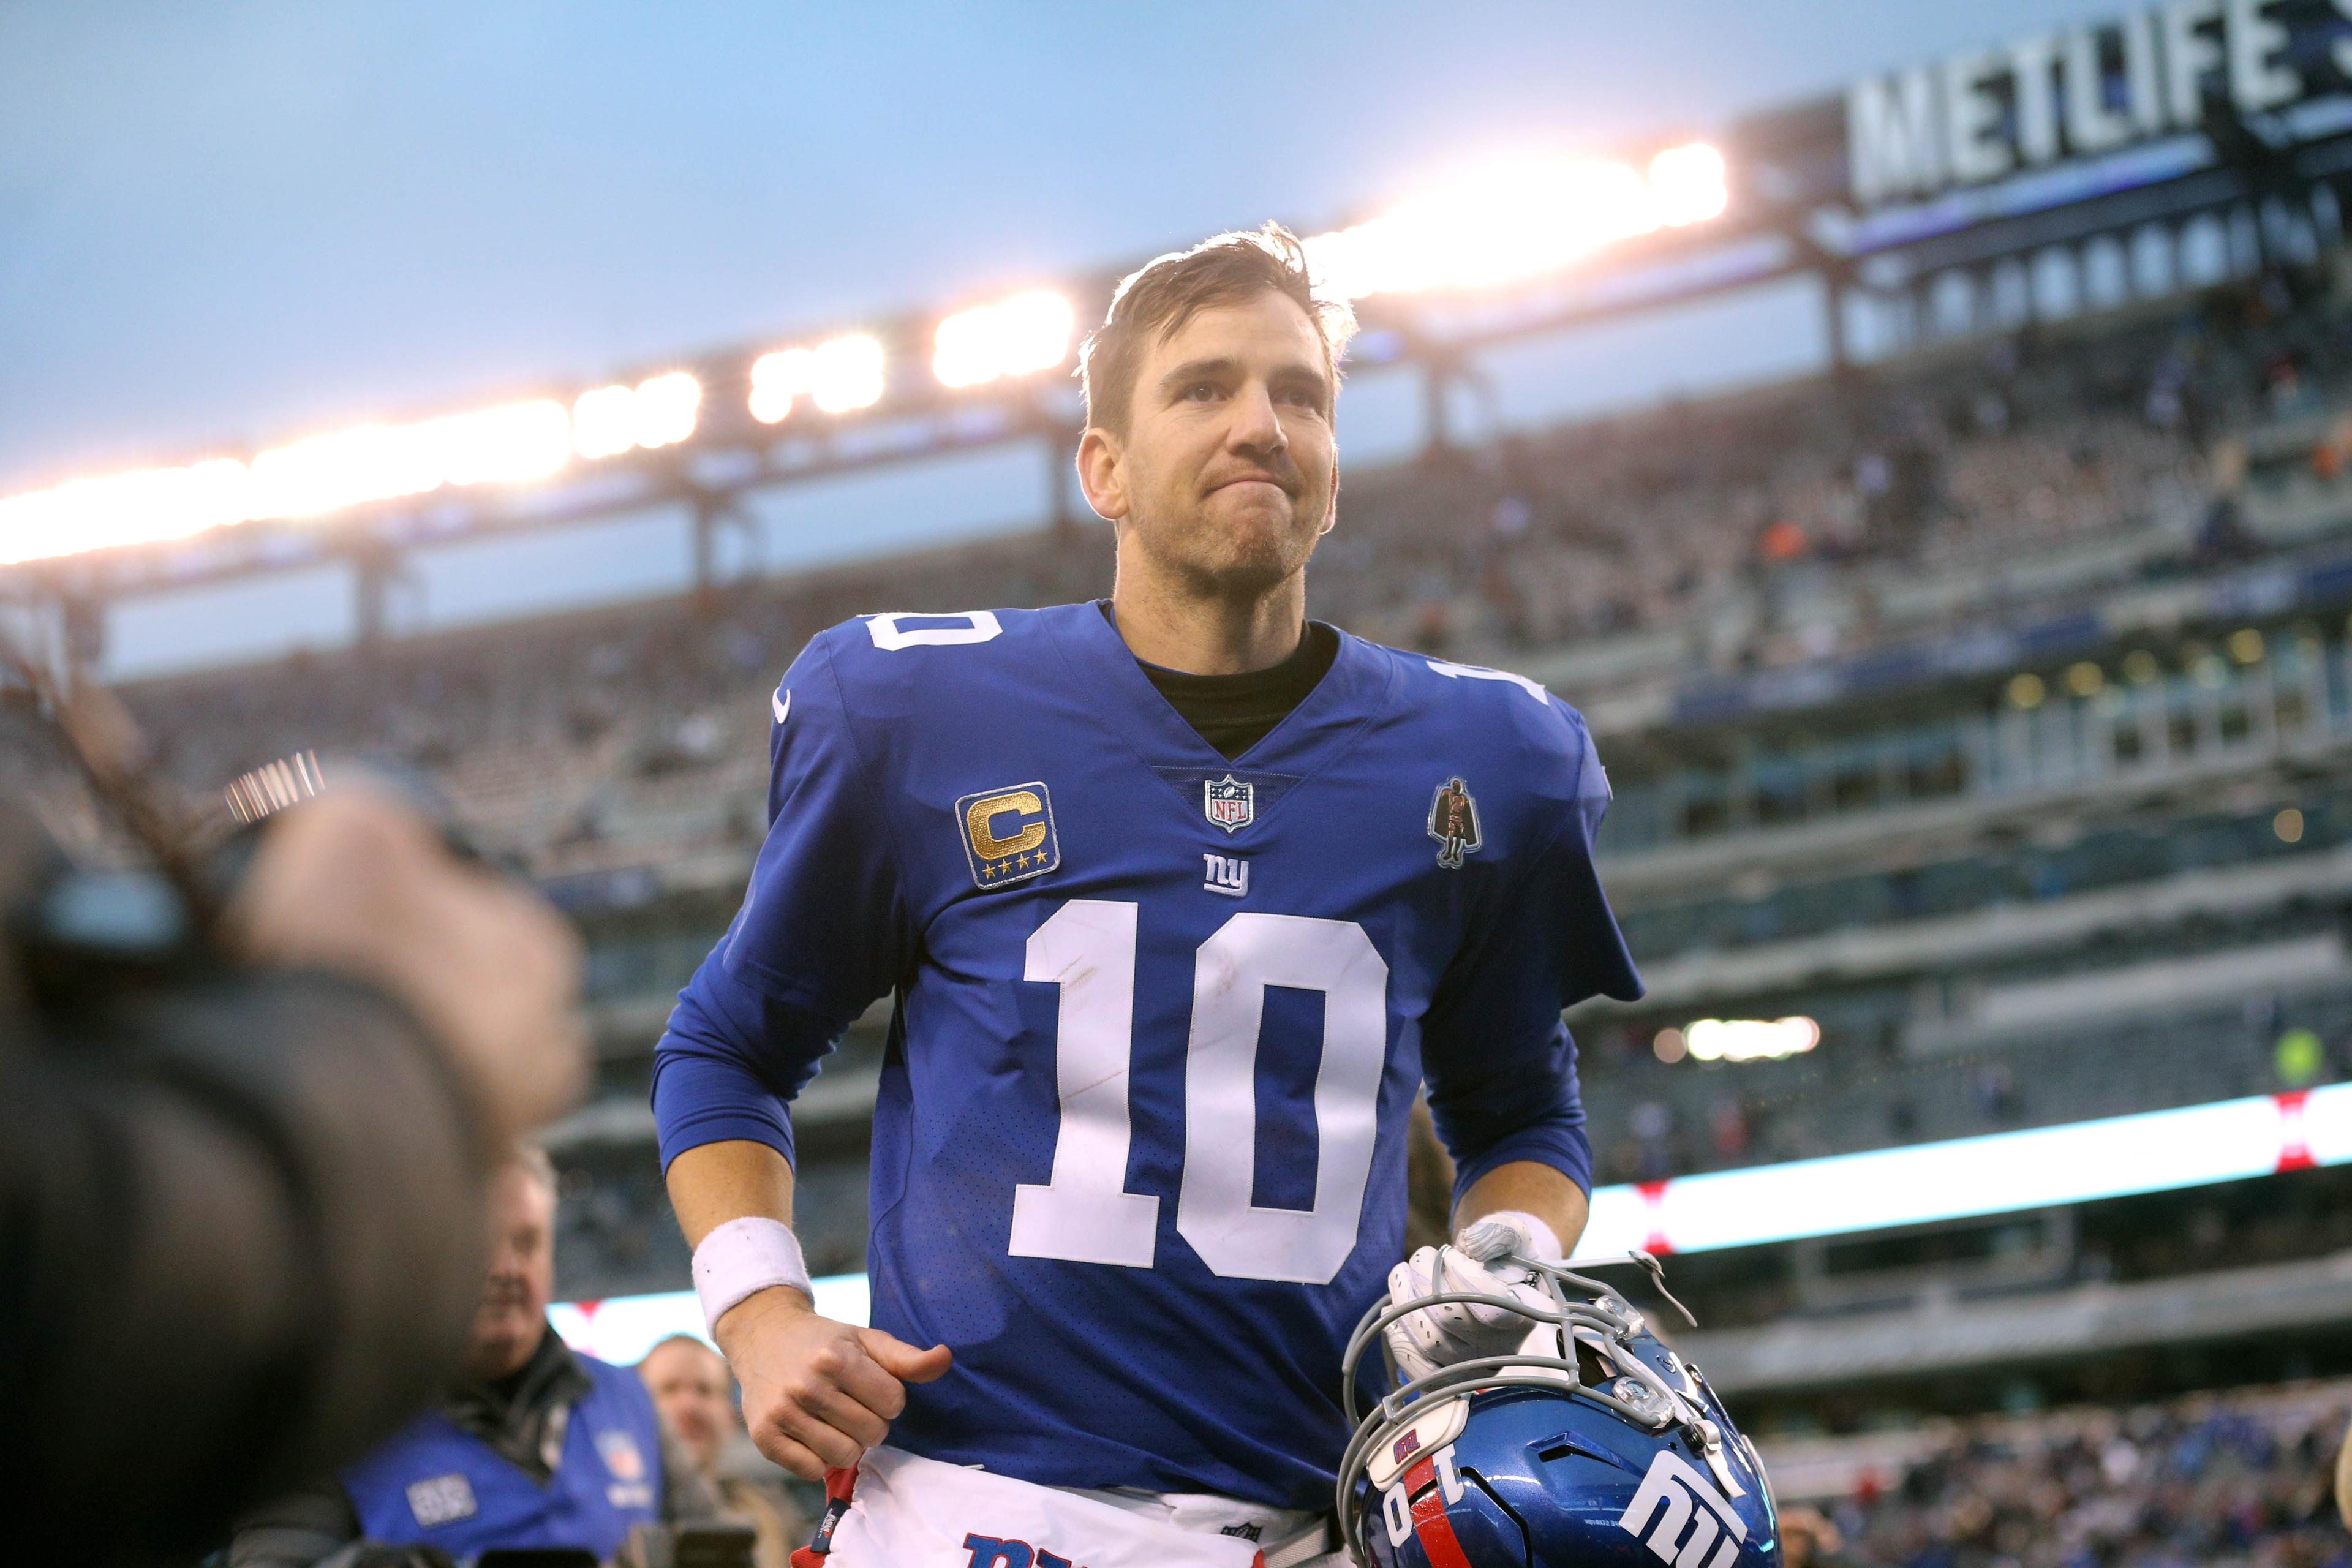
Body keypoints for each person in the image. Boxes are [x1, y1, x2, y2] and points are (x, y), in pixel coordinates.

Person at [652, 225, 1641, 1567]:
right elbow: (727, 1042)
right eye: (1204, 387)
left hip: (1314, 1520)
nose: (1261, 423)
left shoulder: (1493, 760)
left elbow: (1521, 1105)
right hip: (974, 1505)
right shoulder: (911, 707)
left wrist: (1509, 1253)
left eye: (1302, 394)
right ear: (1101, 468)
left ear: (1336, 471)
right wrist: (759, 1308)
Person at [2, 785, 587, 1568]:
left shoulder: (615, 1404)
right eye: (494, 1237)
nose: (508, 1269)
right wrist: (401, 1046)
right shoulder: (356, 1425)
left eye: (528, 1239)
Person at [230, 1150, 721, 1567]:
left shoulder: (628, 1400)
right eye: (480, 1243)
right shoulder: (332, 1424)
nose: (506, 1269)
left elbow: (719, 1550)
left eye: (527, 1243)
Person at [639, 1335, 807, 1568]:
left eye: (705, 1390)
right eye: (669, 1389)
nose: (689, 1406)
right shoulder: (608, 1513)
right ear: (633, 1413)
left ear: (731, 1416)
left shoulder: (772, 1514)